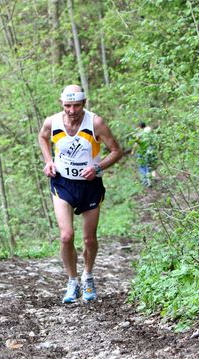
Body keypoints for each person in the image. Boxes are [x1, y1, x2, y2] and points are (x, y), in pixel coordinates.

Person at [38, 85, 123, 304]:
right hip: (63, 183)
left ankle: (88, 275)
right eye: (68, 105)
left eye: (76, 105)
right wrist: (48, 161)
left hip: (90, 185)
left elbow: (116, 151)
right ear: (61, 104)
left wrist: (98, 168)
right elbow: (42, 137)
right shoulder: (52, 122)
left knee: (88, 238)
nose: (72, 110)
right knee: (66, 236)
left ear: (84, 103)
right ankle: (72, 280)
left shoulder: (96, 123)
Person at [134, 122, 156, 187]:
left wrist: (133, 151)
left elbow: (136, 143)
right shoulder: (149, 132)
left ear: (140, 127)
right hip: (150, 150)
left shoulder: (139, 134)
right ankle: (150, 180)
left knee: (142, 166)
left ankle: (146, 181)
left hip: (141, 151)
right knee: (148, 165)